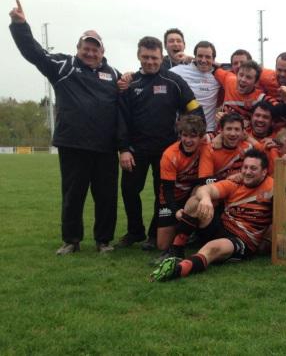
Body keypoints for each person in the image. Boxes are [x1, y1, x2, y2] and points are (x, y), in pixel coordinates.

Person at [9, 0, 120, 254]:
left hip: (105, 147)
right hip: (73, 144)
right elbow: (34, 53)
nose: (91, 53)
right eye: (86, 48)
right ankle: (71, 240)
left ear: (103, 51)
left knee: (106, 197)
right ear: (78, 48)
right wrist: (20, 25)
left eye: (96, 49)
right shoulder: (63, 66)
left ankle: (103, 241)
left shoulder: (113, 74)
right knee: (73, 195)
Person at [116, 36, 204, 250]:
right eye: (145, 57)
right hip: (135, 151)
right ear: (139, 56)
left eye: (154, 57)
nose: (150, 62)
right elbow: (121, 119)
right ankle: (135, 231)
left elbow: (194, 108)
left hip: (166, 152)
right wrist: (124, 149)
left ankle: (154, 235)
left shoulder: (174, 81)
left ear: (160, 56)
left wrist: (200, 133)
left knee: (162, 194)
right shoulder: (129, 84)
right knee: (129, 191)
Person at [150, 149, 273, 282]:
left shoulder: (273, 187)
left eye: (253, 168)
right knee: (195, 201)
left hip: (243, 239)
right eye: (245, 167)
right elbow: (204, 189)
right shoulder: (236, 182)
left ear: (264, 172)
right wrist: (206, 199)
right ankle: (177, 250)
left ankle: (176, 270)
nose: (247, 172)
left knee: (212, 248)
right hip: (221, 227)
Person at [155, 115, 213, 261]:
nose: (188, 140)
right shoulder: (169, 154)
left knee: (199, 192)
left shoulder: (205, 147)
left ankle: (189, 233)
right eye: (184, 135)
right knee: (162, 245)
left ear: (201, 137)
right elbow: (167, 189)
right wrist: (176, 211)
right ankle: (188, 230)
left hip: (190, 193)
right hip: (172, 196)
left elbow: (204, 181)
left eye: (193, 136)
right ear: (180, 135)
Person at [170, 41, 221, 133]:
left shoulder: (218, 76)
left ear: (213, 59)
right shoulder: (179, 71)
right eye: (200, 56)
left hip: (208, 131)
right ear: (195, 57)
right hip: (186, 131)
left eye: (208, 57)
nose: (203, 60)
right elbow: (160, 75)